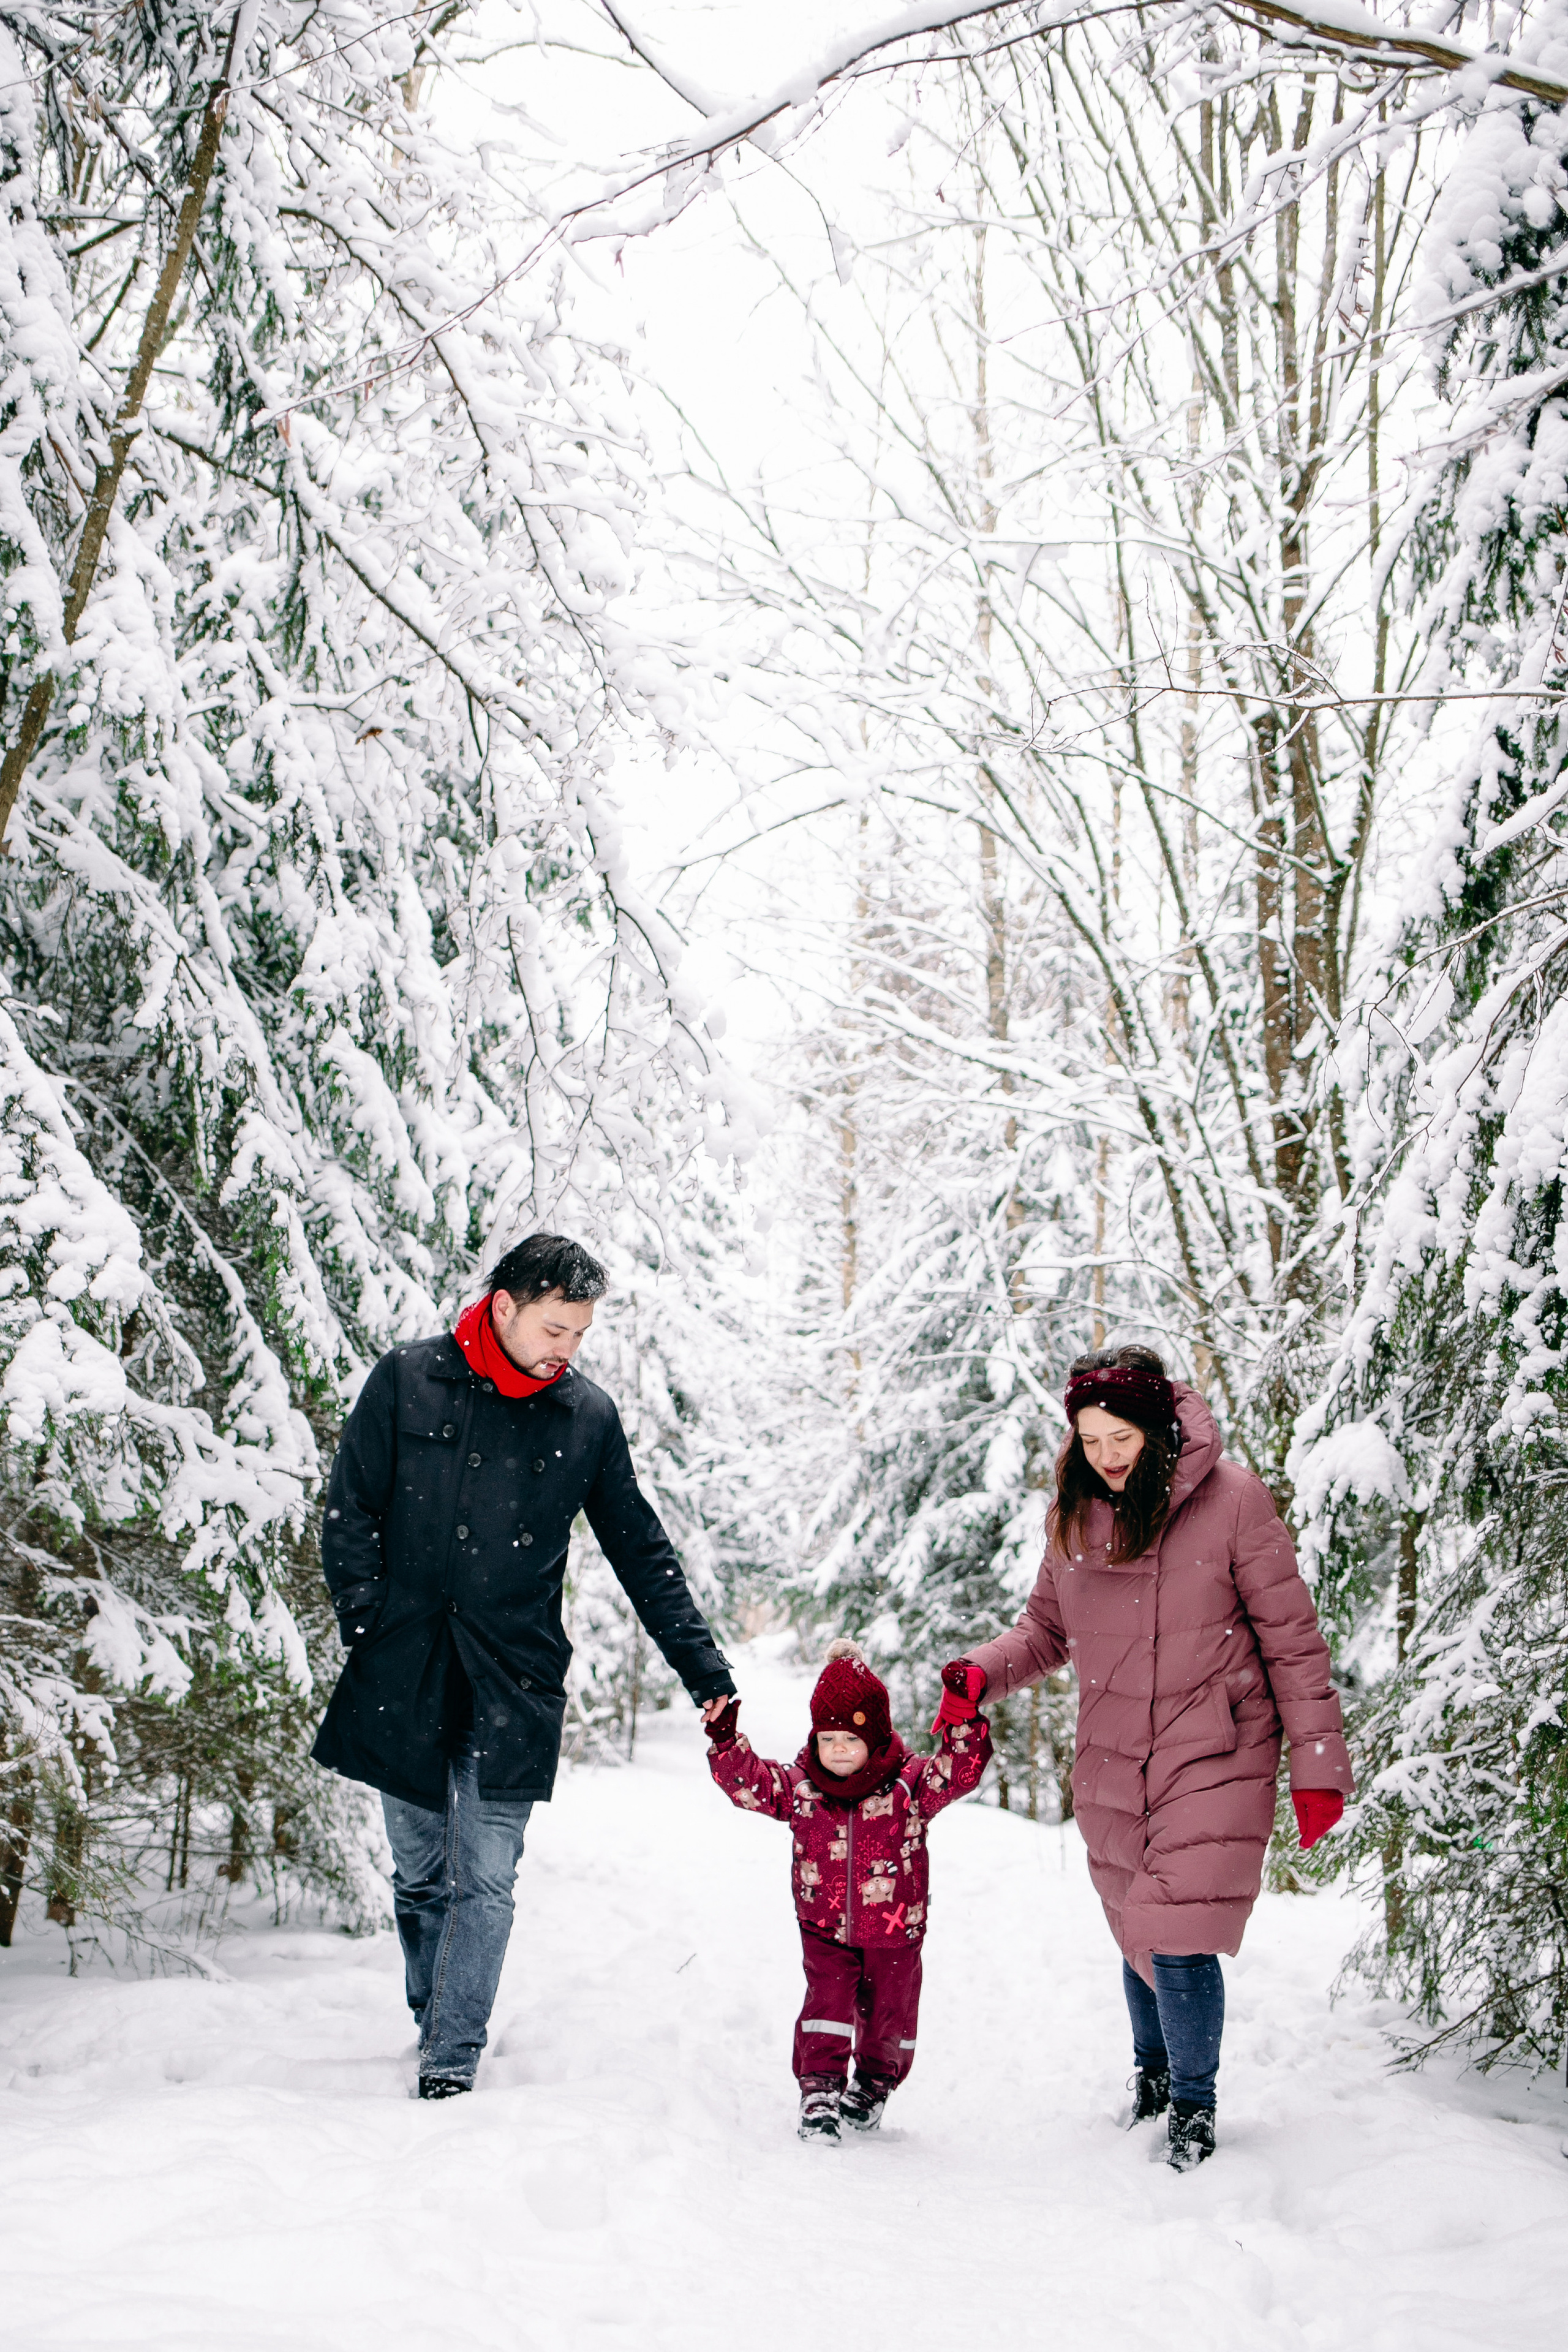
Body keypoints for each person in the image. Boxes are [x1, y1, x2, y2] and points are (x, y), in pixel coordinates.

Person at [312, 1232, 737, 2097]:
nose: (565, 1351)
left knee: (489, 1877)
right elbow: (349, 1510)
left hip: (514, 1679)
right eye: (554, 1329)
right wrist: (370, 1625)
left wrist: (706, 1674)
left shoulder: (585, 1418)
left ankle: (451, 2057)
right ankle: (435, 2009)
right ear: (503, 1308)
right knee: (423, 1871)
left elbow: (640, 1550)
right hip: (407, 1669)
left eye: (578, 1336)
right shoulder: (406, 1379)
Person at [941, 1344, 1352, 2172]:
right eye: (1091, 1440)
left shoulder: (1234, 1502)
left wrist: (1316, 1759)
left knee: (1177, 1932)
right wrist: (980, 1673)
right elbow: (1046, 1631)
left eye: (1120, 1435)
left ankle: (1194, 2112)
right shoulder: (1073, 1516)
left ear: (1156, 1427)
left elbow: (1292, 1638)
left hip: (1219, 1748)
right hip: (1116, 1752)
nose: (1107, 1454)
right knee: (1135, 1922)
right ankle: (1155, 2079)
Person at [706, 1638, 992, 2145]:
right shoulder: (801, 1789)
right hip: (824, 1927)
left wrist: (964, 1721)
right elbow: (750, 1784)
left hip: (895, 1929)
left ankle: (876, 2082)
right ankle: (818, 2088)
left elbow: (959, 1772)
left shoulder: (909, 1787)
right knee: (827, 2005)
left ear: (877, 1738)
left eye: (851, 1738)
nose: (837, 1750)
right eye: (827, 1738)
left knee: (890, 2013)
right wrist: (728, 1742)